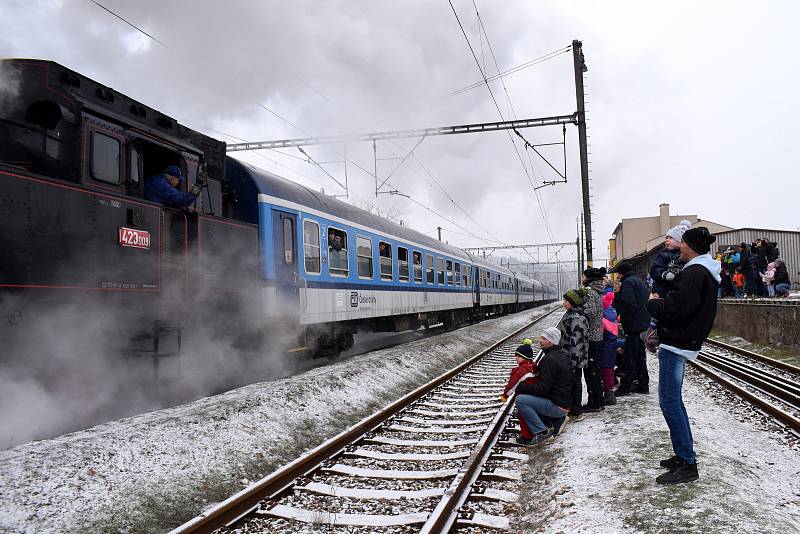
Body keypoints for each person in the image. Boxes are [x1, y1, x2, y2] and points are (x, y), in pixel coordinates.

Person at [646, 226, 720, 485]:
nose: (680, 248)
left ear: (692, 247)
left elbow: (675, 309)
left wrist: (653, 302)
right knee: (674, 402)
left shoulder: (694, 273)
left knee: (670, 403)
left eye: (684, 244)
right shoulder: (702, 271)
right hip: (682, 341)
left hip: (677, 343)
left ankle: (688, 463)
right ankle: (682, 456)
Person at [514, 327, 573, 445]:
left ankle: (542, 432)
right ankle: (556, 421)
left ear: (551, 341)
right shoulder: (562, 354)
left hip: (558, 406)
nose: (540, 340)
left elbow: (543, 390)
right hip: (564, 403)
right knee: (527, 400)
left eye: (544, 338)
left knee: (521, 400)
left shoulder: (549, 360)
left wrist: (521, 387)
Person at [647, 220, 689, 352]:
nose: (667, 240)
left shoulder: (683, 256)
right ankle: (652, 332)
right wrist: (664, 274)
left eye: (671, 238)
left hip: (675, 289)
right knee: (658, 310)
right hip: (662, 286)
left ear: (679, 241)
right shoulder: (663, 254)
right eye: (666, 238)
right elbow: (654, 269)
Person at [610, 261, 651, 396]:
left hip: (634, 325)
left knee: (630, 357)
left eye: (618, 274)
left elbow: (628, 304)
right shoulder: (637, 280)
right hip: (641, 323)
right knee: (639, 356)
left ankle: (625, 387)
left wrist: (623, 320)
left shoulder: (627, 283)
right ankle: (643, 384)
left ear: (621, 273)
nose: (617, 277)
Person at [501, 339, 540, 444]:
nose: (516, 358)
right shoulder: (533, 366)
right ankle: (533, 433)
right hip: (534, 396)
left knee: (523, 416)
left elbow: (512, 384)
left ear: (525, 357)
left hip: (524, 397)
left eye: (518, 356)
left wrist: (505, 395)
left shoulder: (521, 370)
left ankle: (526, 437)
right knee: (531, 415)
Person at [560, 289, 589, 421]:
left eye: (566, 300)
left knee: (575, 383)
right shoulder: (570, 314)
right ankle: (572, 409)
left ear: (572, 302)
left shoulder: (577, 317)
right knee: (572, 383)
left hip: (573, 358)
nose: (564, 303)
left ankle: (576, 412)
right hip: (568, 356)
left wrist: (573, 361)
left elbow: (576, 342)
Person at [580, 267, 607, 412]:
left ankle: (595, 403)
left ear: (588, 278)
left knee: (591, 371)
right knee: (594, 370)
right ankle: (598, 401)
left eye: (583, 276)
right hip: (596, 336)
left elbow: (589, 312)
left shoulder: (590, 293)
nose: (582, 278)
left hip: (591, 337)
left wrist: (578, 309)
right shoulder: (597, 291)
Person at [600, 291, 619, 405]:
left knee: (606, 371)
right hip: (611, 347)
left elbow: (600, 334)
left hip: (604, 347)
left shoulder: (603, 319)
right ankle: (610, 389)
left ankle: (609, 395)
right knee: (609, 370)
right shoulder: (612, 315)